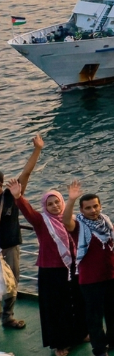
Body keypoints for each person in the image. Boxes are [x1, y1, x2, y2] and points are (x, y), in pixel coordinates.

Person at [7, 176, 88, 356]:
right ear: (45, 206)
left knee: (77, 301)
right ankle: (60, 343)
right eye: (50, 204)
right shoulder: (42, 221)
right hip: (51, 271)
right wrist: (18, 197)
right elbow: (28, 212)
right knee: (56, 308)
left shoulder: (70, 219)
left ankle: (81, 333)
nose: (54, 206)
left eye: (57, 202)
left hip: (73, 267)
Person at [63, 179, 114, 356]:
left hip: (111, 275)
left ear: (100, 206)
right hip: (90, 281)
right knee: (95, 317)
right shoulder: (78, 227)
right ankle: (100, 352)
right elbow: (66, 222)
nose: (93, 210)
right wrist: (71, 200)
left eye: (95, 206)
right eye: (88, 208)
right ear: (81, 210)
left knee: (113, 311)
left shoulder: (105, 222)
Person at [1, 134, 42, 330]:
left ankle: (7, 316)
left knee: (12, 282)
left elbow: (25, 174)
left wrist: (37, 150)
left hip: (9, 246)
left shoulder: (10, 196)